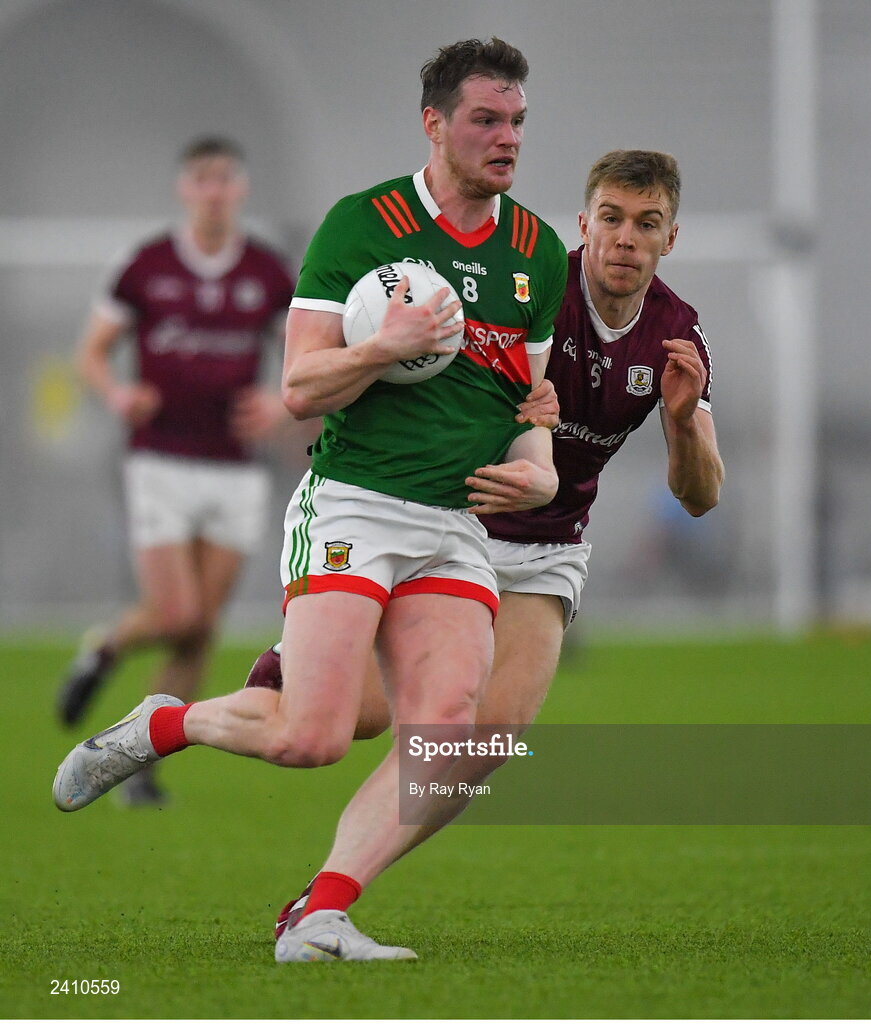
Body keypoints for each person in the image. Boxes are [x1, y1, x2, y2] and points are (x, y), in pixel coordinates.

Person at [53, 38, 569, 962]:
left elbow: (530, 409)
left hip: (453, 526)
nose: (507, 140)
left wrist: (539, 469)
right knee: (312, 739)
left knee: (448, 737)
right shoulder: (358, 225)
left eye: (517, 122)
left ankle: (318, 916)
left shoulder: (536, 251)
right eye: (486, 121)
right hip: (352, 508)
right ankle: (161, 723)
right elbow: (299, 386)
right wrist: (384, 345)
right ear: (435, 125)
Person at [257, 148, 725, 932]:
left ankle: (324, 900)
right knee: (352, 721)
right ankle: (186, 716)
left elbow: (700, 496)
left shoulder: (677, 333)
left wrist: (681, 423)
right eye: (610, 219)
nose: (625, 239)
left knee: (476, 751)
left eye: (646, 225)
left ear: (669, 238)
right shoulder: (536, 288)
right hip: (455, 527)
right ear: (585, 224)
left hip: (546, 550)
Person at [55, 137, 296, 806]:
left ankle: (142, 765)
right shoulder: (145, 266)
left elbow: (305, 352)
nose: (214, 190)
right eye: (202, 179)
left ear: (240, 189)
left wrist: (278, 399)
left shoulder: (268, 272)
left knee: (200, 626)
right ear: (184, 189)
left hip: (234, 469)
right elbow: (92, 353)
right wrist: (116, 394)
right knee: (175, 609)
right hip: (160, 458)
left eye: (225, 178)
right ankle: (103, 648)